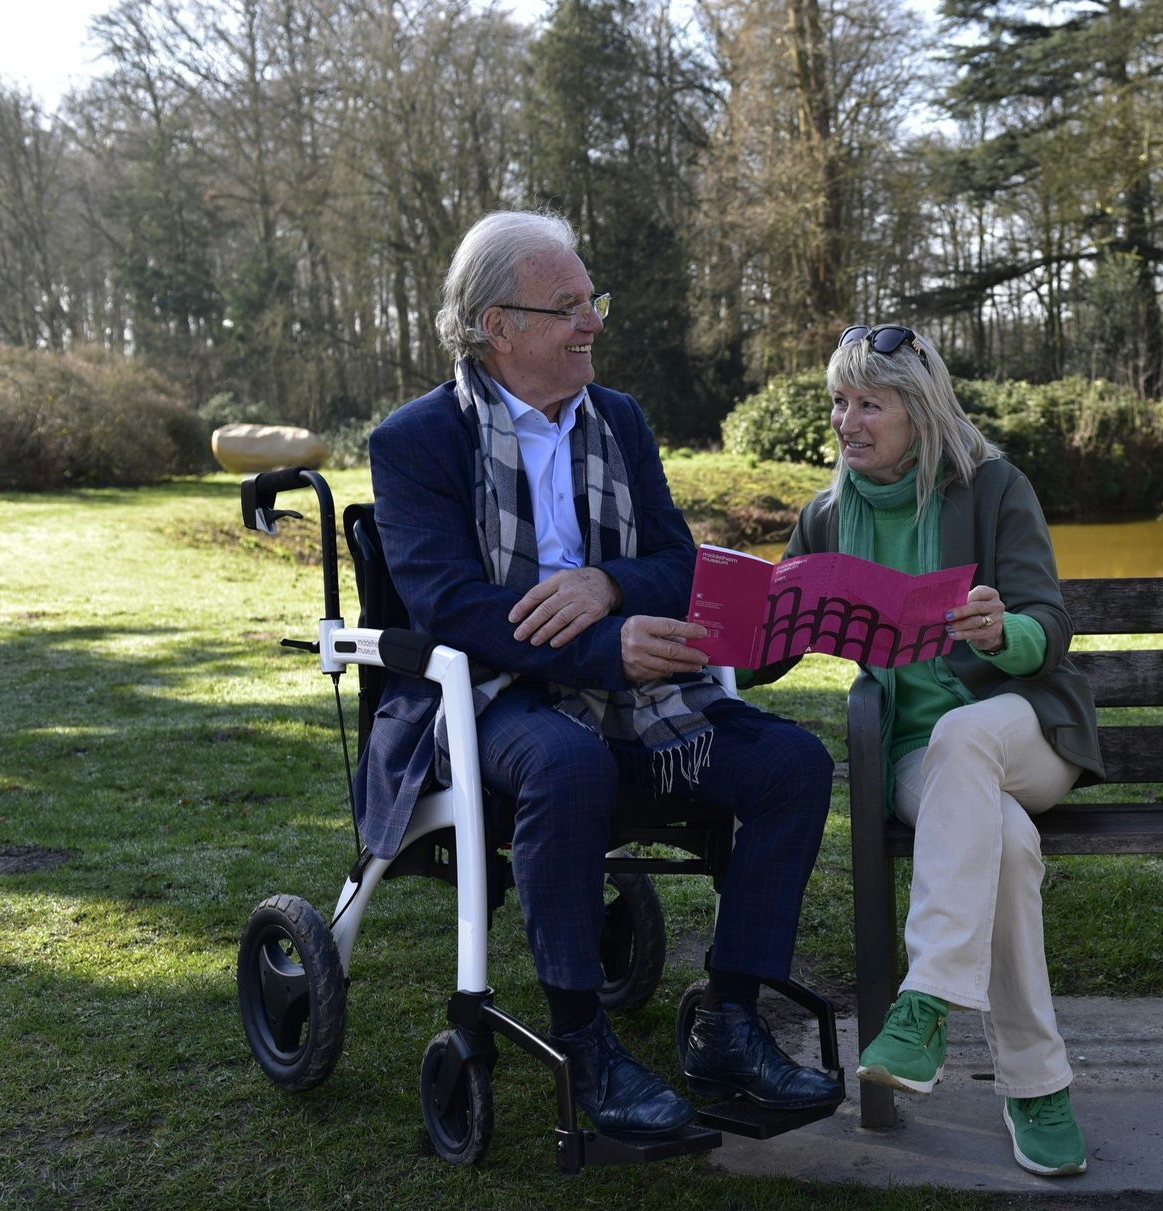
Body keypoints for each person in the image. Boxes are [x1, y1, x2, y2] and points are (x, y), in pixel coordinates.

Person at [358, 210, 839, 1138]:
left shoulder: (617, 419)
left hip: (639, 692)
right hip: (488, 692)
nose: (593, 323)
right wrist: (602, 648)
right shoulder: (416, 440)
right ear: (499, 326)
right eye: (569, 306)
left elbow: (676, 560)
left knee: (794, 765)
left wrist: (607, 584)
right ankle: (584, 1044)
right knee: (569, 764)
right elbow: (452, 606)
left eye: (593, 301)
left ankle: (730, 1024)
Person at [743, 324, 1105, 1176]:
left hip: (1023, 727)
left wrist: (1002, 628)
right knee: (1004, 843)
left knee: (965, 732)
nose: (847, 421)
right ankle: (1037, 1085)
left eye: (870, 404)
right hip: (914, 759)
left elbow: (1049, 625)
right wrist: (720, 633)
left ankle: (927, 1000)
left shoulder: (993, 487)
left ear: (920, 410)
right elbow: (765, 652)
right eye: (839, 402)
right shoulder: (826, 517)